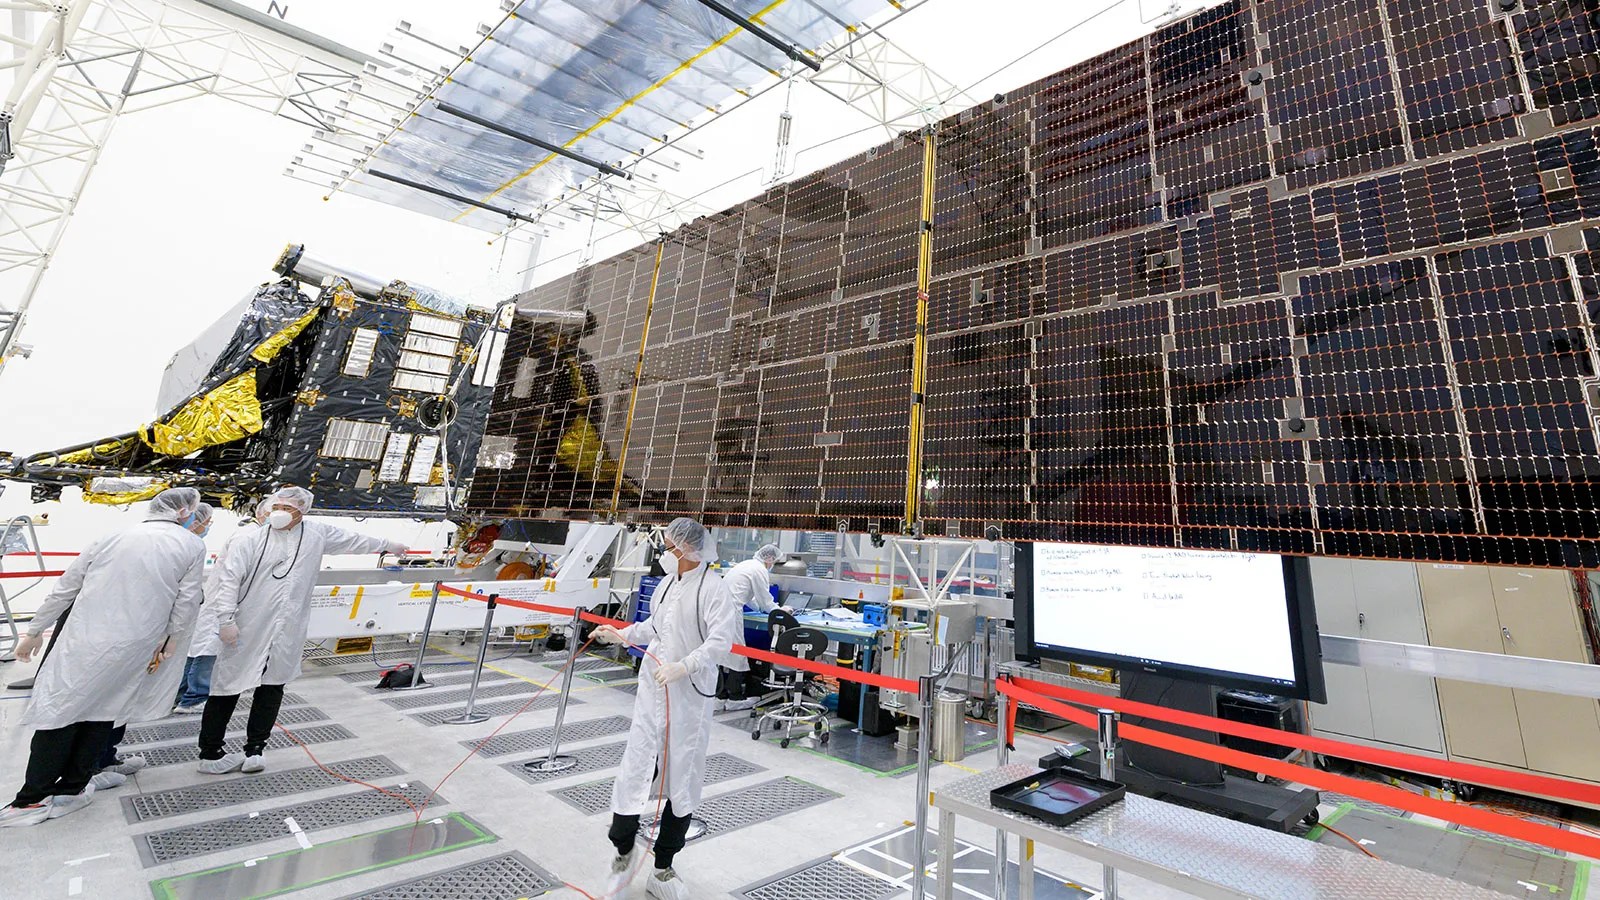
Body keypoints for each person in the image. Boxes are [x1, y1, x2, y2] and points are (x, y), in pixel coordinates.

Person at [0, 488, 206, 827]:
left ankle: (32, 800)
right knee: (102, 712)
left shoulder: (113, 536)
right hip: (136, 643)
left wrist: (35, 630)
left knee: (60, 713)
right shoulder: (190, 545)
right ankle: (72, 790)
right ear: (185, 512)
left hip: (86, 639)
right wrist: (168, 645)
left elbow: (66, 586)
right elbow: (185, 605)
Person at [196, 486, 407, 775]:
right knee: (227, 686)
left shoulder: (316, 534)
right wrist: (225, 620)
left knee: (273, 685)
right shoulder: (251, 539)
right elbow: (229, 581)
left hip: (287, 627)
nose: (280, 513)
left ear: (302, 512)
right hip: (248, 625)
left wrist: (389, 545)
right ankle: (210, 752)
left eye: (288, 509)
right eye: (277, 507)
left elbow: (353, 540)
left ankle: (256, 748)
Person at [593, 517, 739, 900]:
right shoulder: (666, 584)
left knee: (682, 778)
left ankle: (663, 867)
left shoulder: (714, 589)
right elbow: (654, 628)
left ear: (688, 550)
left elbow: (721, 642)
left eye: (671, 547)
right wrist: (620, 633)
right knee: (636, 769)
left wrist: (685, 665)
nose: (666, 553)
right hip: (651, 694)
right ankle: (622, 852)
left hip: (688, 699)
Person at [87, 502, 216, 789]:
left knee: (124, 700)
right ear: (186, 515)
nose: (204, 525)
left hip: (143, 634)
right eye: (201, 518)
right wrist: (171, 640)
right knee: (111, 701)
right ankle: (92, 764)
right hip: (133, 633)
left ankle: (107, 756)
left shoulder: (173, 544)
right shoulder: (172, 544)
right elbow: (183, 598)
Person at [173, 498, 271, 714]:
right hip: (220, 601)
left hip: (216, 600)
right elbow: (234, 575)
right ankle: (194, 698)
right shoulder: (248, 536)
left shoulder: (252, 535)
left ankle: (181, 695)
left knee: (198, 649)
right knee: (207, 649)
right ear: (263, 513)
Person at [716, 544, 784, 712]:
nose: (773, 564)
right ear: (769, 559)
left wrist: (759, 608)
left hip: (718, 609)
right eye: (774, 561)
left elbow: (747, 596)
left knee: (722, 653)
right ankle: (735, 698)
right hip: (730, 612)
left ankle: (720, 696)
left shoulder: (746, 564)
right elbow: (766, 601)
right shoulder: (759, 570)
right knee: (737, 655)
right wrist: (782, 611)